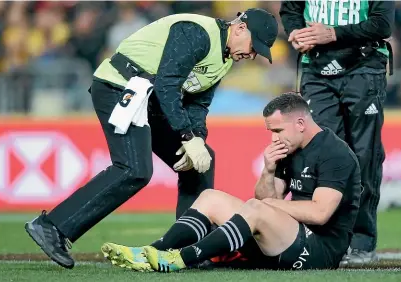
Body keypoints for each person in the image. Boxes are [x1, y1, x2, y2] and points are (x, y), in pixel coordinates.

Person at [24, 8, 279, 269]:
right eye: (253, 46)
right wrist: (187, 136)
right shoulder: (197, 32)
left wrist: (198, 139)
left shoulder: (224, 60)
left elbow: (197, 105)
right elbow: (167, 84)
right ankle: (51, 226)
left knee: (202, 163)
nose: (251, 54)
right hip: (119, 86)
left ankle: (185, 250)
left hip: (149, 99)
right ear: (239, 29)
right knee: (133, 169)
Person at [100, 92, 362, 272]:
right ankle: (151, 252)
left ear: (301, 123)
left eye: (278, 130)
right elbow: (264, 201)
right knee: (211, 197)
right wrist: (268, 170)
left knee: (257, 209)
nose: (273, 138)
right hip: (286, 238)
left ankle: (181, 258)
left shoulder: (335, 153)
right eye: (271, 132)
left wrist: (268, 205)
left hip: (319, 251)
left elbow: (320, 213)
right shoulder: (287, 149)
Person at [279, 0, 395, 265]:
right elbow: (290, 9)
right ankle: (316, 235)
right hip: (316, 69)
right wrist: (296, 33)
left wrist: (332, 33)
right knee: (319, 153)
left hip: (364, 66)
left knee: (365, 155)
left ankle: (362, 240)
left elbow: (382, 23)